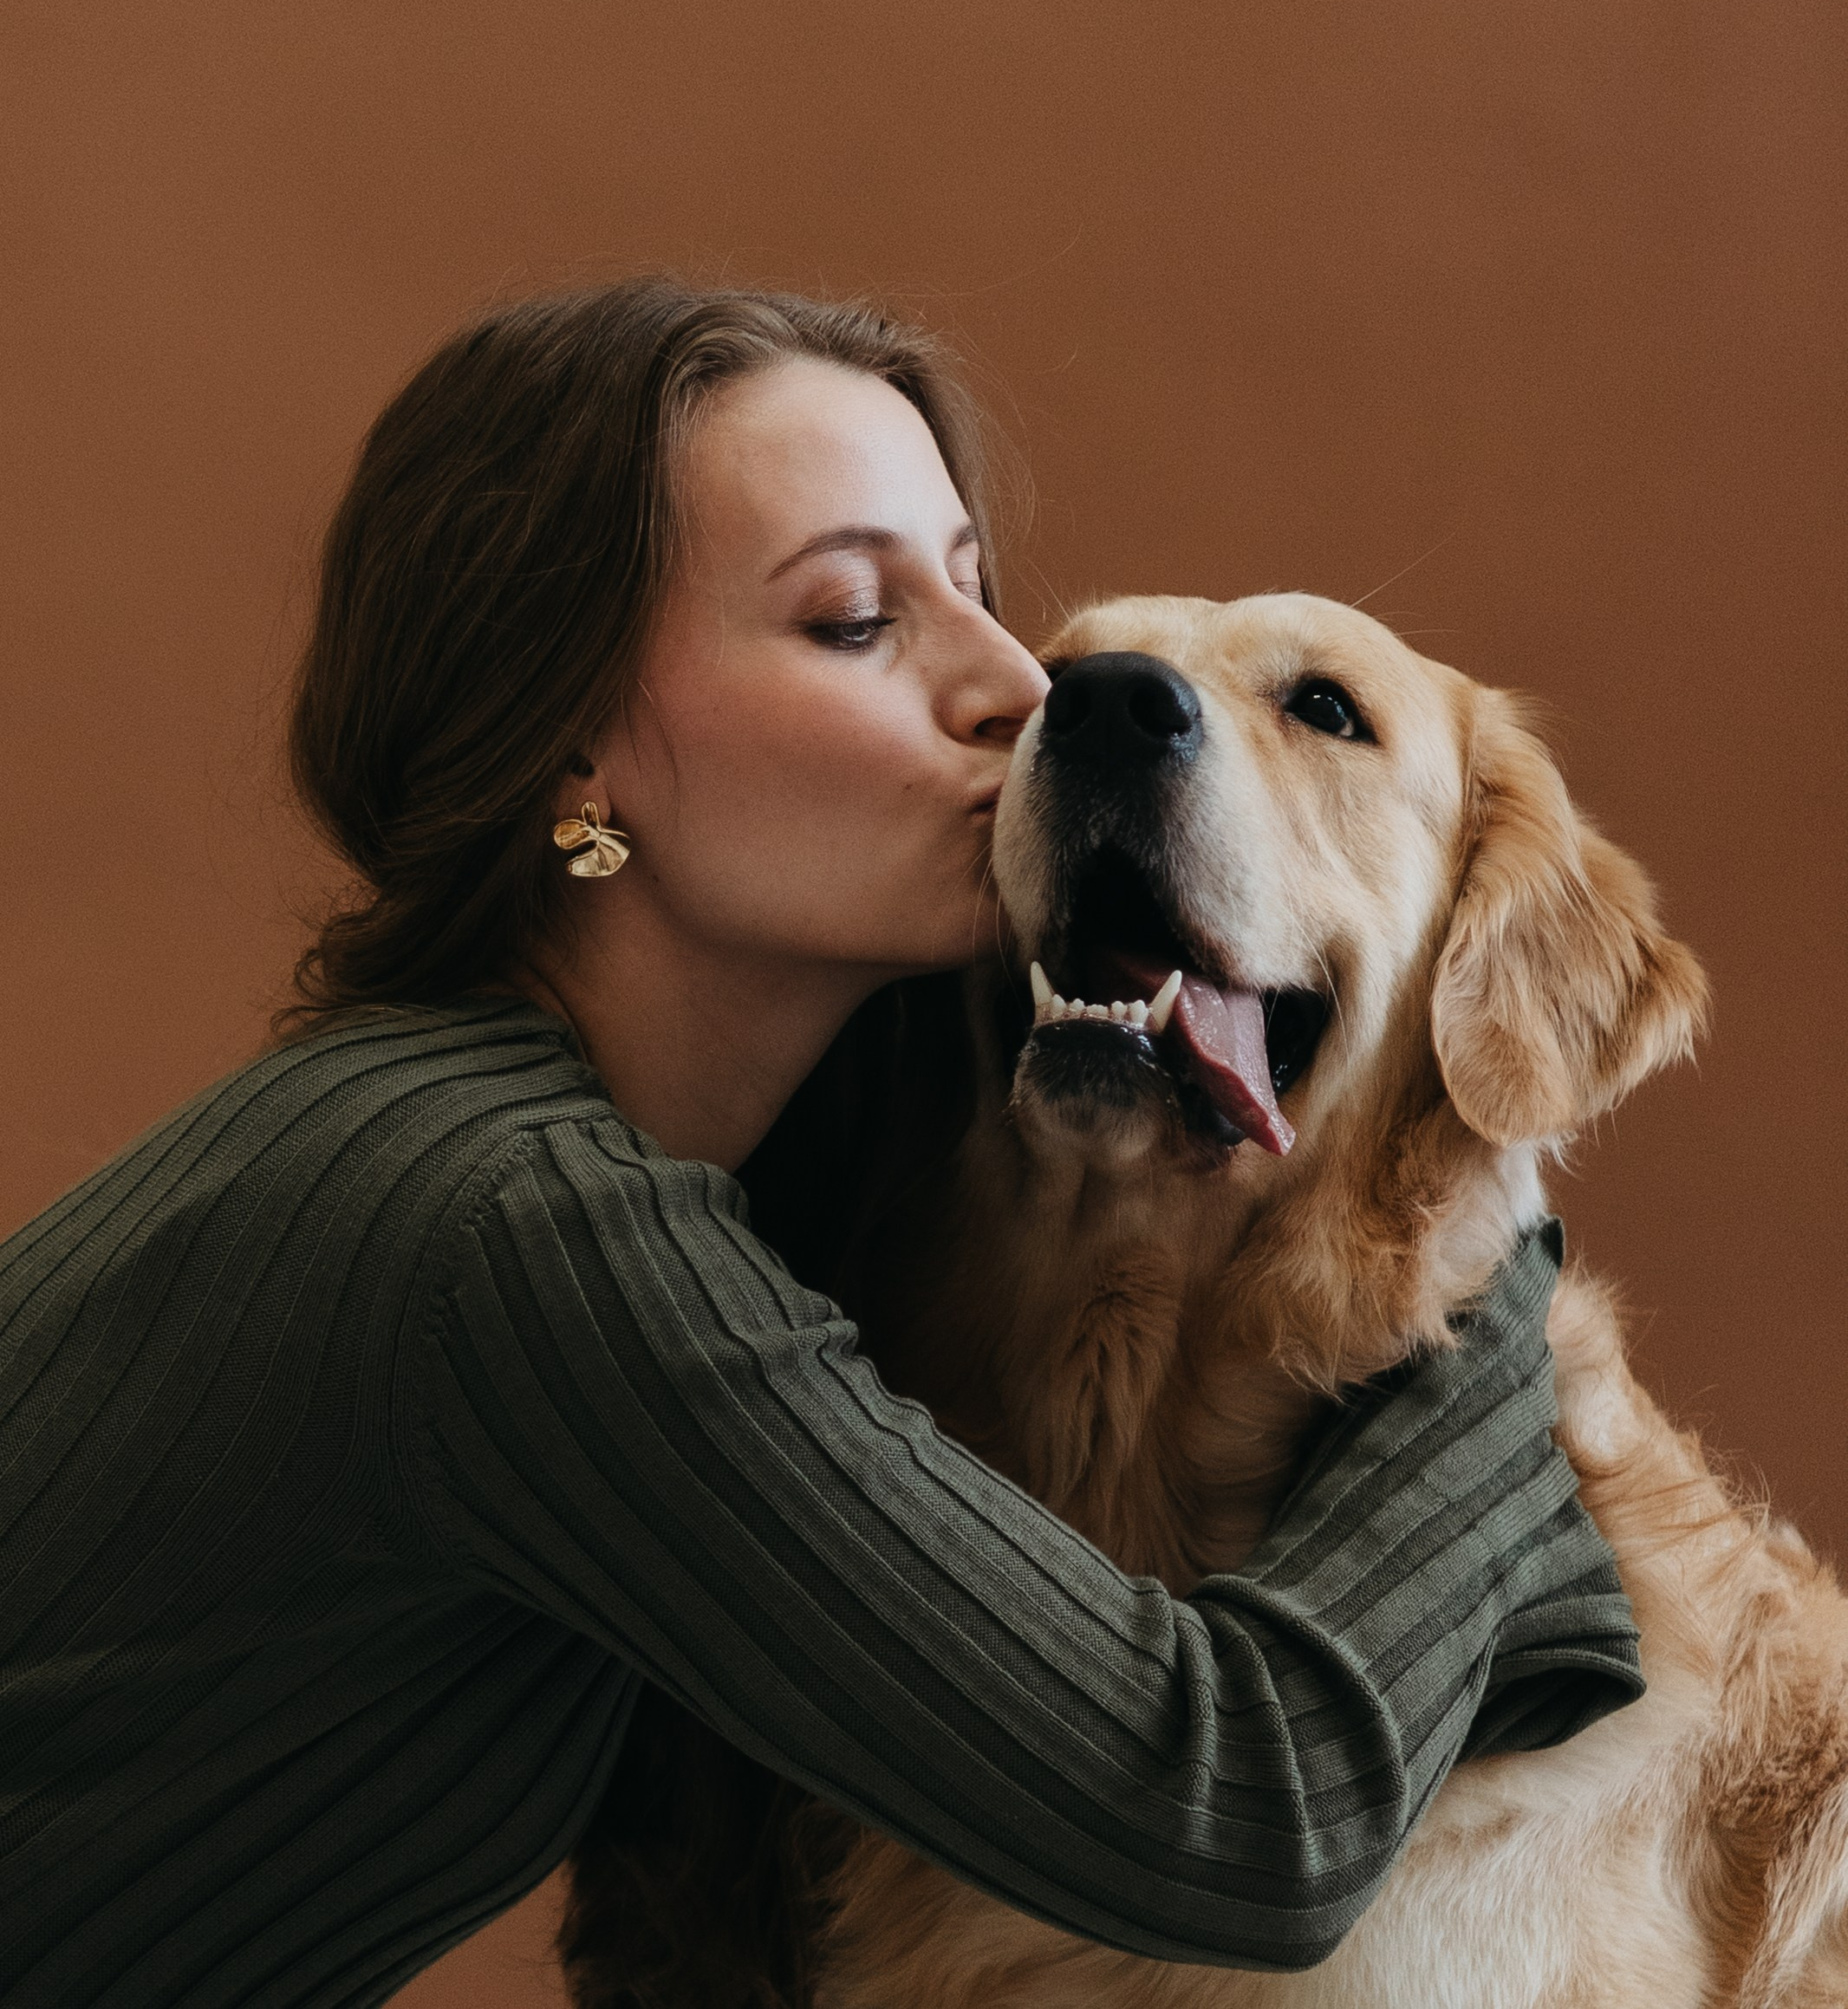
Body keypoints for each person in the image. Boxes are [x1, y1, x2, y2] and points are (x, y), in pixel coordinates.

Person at [0, 280, 1642, 2009]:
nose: (1018, 686)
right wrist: (1491, 1249)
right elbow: (1240, 1820)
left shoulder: (686, 1165)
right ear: (571, 749)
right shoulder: (512, 1225)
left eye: (977, 592)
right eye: (856, 618)